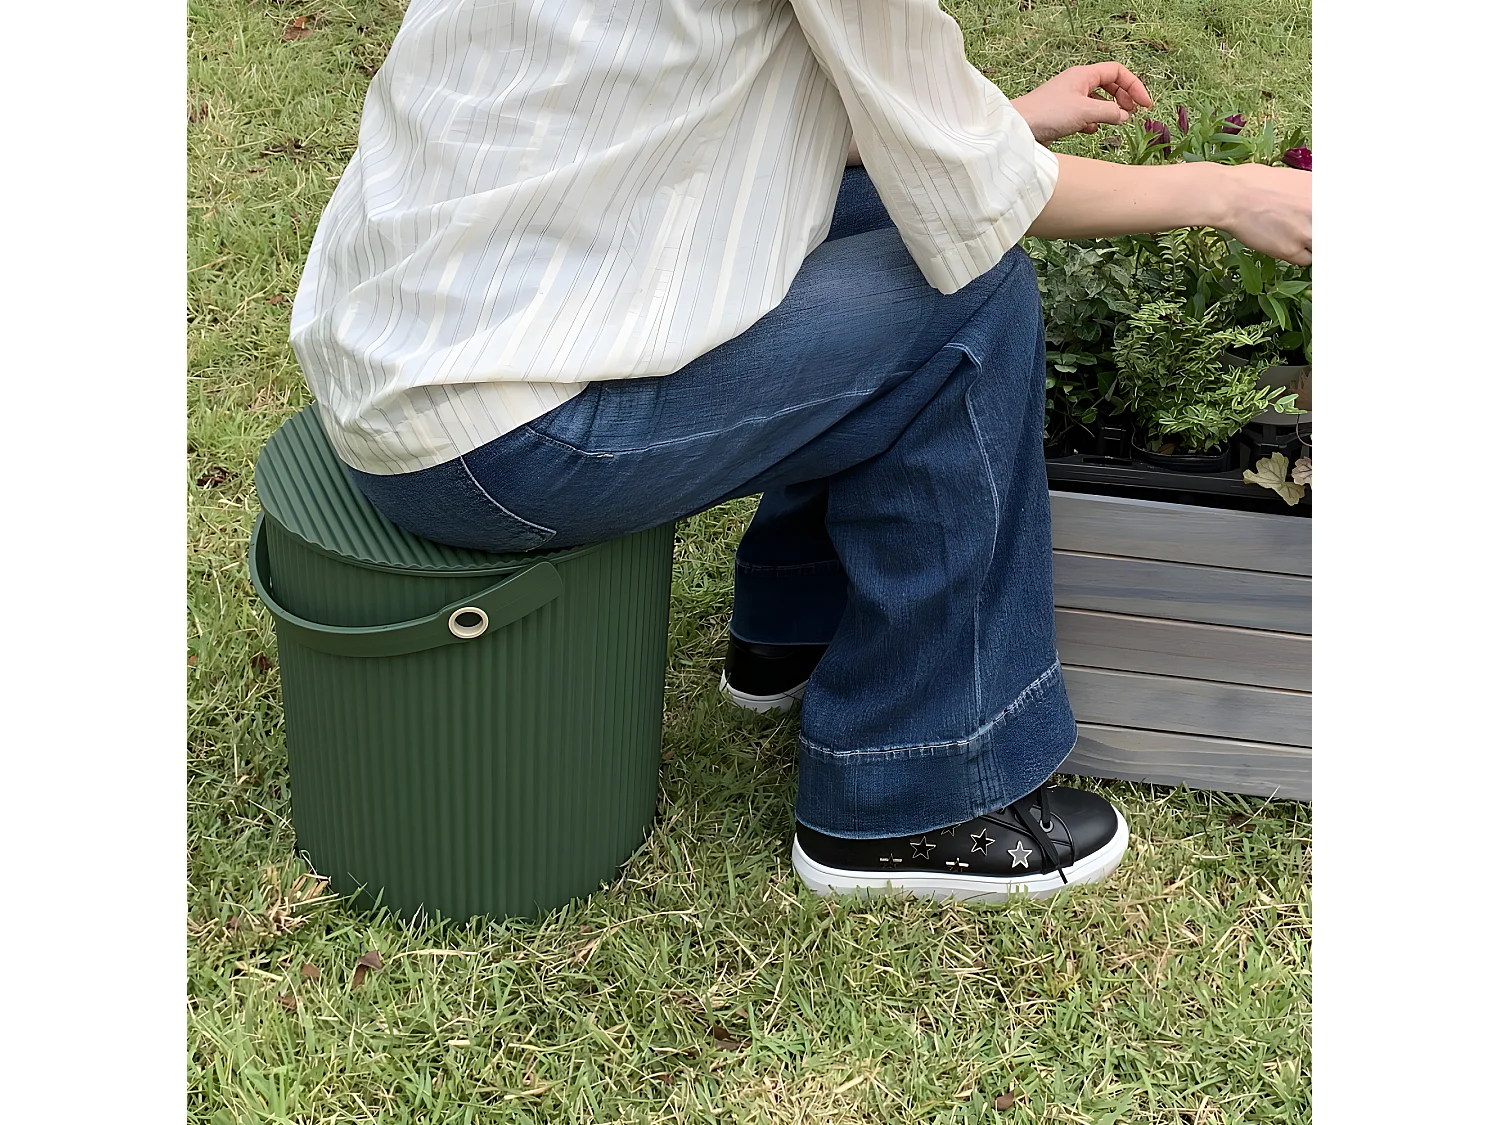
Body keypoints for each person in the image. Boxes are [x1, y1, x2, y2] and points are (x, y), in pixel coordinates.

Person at [289, 0, 1311, 903]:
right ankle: (912, 796)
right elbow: (984, 200)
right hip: (503, 440)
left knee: (871, 215)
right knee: (971, 297)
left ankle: (795, 631)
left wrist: (997, 120)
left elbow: (726, 121)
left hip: (413, 350)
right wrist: (1227, 191)